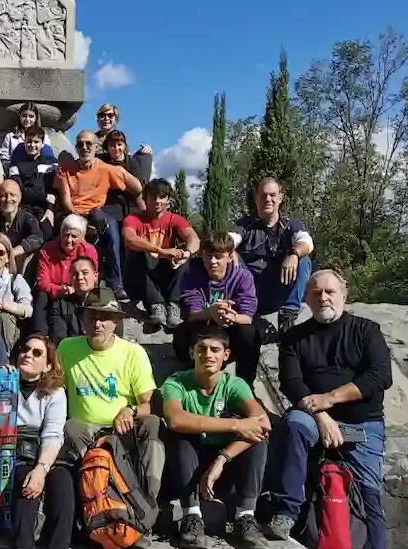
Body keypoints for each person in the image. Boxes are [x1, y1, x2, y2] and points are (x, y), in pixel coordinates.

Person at [267, 270, 393, 549]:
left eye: (330, 292)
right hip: (314, 417)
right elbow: (292, 383)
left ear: (343, 294)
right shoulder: (295, 337)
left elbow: (380, 377)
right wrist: (323, 414)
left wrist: (330, 398)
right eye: (316, 293)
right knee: (294, 424)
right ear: (306, 299)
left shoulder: (366, 331)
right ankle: (288, 511)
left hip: (361, 423)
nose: (324, 297)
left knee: (368, 491)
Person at [161, 327, 272, 549]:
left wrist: (222, 459)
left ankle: (245, 518)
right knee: (181, 435)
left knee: (258, 440)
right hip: (187, 469)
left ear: (226, 355)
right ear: (192, 353)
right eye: (201, 349)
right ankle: (191, 516)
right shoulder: (176, 383)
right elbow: (175, 419)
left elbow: (263, 424)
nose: (208, 355)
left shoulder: (234, 385)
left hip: (224, 471)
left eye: (215, 350)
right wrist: (236, 424)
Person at [58, 287, 164, 509]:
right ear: (82, 319)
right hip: (87, 433)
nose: (98, 324)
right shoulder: (66, 348)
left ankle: (147, 503)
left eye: (105, 318)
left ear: (116, 322)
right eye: (92, 317)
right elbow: (51, 385)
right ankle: (92, 499)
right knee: (71, 426)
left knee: (152, 423)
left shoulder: (132, 352)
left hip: (123, 430)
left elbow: (149, 404)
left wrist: (130, 410)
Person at [8, 333, 73, 549]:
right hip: (13, 453)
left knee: (64, 484)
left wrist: (42, 468)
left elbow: (53, 433)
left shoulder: (55, 393)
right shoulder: (3, 383)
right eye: (25, 349)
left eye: (37, 353)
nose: (28, 355)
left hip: (45, 451)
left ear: (48, 365)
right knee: (25, 484)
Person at [55, 130, 142, 300]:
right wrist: (79, 217)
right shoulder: (65, 169)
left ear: (96, 147)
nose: (84, 148)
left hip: (97, 212)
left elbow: (138, 187)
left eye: (88, 144)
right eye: (80, 144)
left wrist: (124, 172)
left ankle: (115, 284)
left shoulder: (107, 169)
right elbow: (66, 200)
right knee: (71, 227)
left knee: (110, 231)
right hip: (73, 212)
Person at [174, 232, 262, 385]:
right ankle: (191, 376)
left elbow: (247, 316)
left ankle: (246, 384)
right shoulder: (192, 273)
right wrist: (210, 312)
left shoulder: (243, 276)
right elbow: (192, 313)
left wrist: (232, 317)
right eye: (208, 256)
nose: (212, 262)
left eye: (218, 257)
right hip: (204, 325)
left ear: (229, 256)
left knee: (250, 333)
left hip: (230, 330)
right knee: (182, 331)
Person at [231, 177, 315, 334]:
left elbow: (306, 242)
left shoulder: (292, 225)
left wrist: (294, 253)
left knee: (304, 259)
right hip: (251, 292)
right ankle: (246, 311)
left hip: (279, 291)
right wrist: (230, 251)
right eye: (263, 195)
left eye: (272, 195)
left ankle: (288, 315)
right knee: (227, 254)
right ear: (256, 198)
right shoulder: (244, 225)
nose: (268, 199)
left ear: (280, 197)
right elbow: (230, 239)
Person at [122, 179, 200, 329]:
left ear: (168, 200)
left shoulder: (175, 219)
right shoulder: (133, 219)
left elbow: (193, 238)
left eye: (162, 197)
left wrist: (187, 253)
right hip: (141, 275)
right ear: (145, 199)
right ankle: (156, 304)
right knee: (141, 253)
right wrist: (161, 251)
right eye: (153, 197)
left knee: (185, 257)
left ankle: (173, 305)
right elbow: (129, 238)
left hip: (165, 272)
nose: (157, 201)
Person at [32, 215, 98, 336]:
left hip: (77, 293)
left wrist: (75, 289)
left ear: (82, 238)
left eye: (74, 236)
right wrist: (61, 290)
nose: (68, 240)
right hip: (53, 295)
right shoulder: (47, 249)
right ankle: (40, 336)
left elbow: (90, 279)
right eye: (65, 234)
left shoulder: (89, 250)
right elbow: (42, 281)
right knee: (41, 295)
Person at [0, 179, 49, 267]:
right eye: (4, 195)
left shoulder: (27, 217)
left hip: (18, 266)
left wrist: (14, 252)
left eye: (12, 195)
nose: (8, 199)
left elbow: (37, 238)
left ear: (20, 197)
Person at [6, 125, 57, 225]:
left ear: (42, 144)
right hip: (23, 207)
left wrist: (50, 209)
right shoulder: (16, 164)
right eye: (29, 141)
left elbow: (53, 190)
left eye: (36, 142)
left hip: (44, 207)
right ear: (24, 142)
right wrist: (42, 196)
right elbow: (18, 188)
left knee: (46, 230)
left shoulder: (50, 164)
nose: (32, 145)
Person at [100, 130, 150, 226]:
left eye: (119, 144)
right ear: (107, 147)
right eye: (112, 145)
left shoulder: (132, 163)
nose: (116, 148)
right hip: (109, 205)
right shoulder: (103, 162)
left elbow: (139, 189)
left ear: (124, 146)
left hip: (130, 205)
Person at [46, 255, 99, 344]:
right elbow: (59, 339)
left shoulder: (108, 302)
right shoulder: (60, 304)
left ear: (95, 275)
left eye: (85, 272)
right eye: (74, 274)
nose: (80, 277)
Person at [0, 102, 44, 167]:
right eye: (24, 116)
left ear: (36, 118)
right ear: (19, 116)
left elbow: (46, 156)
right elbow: (3, 156)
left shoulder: (43, 136)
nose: (27, 119)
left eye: (31, 116)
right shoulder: (11, 136)